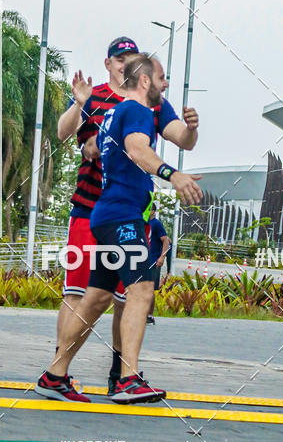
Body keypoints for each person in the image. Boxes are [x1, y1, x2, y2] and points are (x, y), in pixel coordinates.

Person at [36, 54, 202, 404]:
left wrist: (191, 130)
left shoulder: (113, 113)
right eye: (161, 78)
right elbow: (137, 149)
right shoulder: (139, 111)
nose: (166, 84)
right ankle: (127, 379)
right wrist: (173, 175)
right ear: (144, 82)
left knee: (96, 298)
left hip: (107, 214)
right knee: (142, 290)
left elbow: (96, 148)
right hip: (123, 215)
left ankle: (55, 374)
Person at [145, 204, 170, 325]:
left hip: (153, 260)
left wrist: (162, 257)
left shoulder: (156, 224)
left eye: (148, 209)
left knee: (150, 288)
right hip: (142, 260)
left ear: (153, 211)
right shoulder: (142, 223)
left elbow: (166, 241)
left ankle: (149, 315)